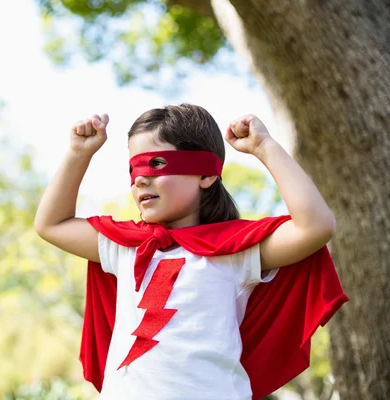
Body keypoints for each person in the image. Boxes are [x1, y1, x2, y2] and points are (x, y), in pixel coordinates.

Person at [34, 104, 347, 400]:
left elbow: (316, 227)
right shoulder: (124, 246)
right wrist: (78, 154)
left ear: (206, 174)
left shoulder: (234, 250)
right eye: (134, 168)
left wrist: (265, 148)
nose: (141, 177)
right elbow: (51, 224)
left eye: (157, 163)